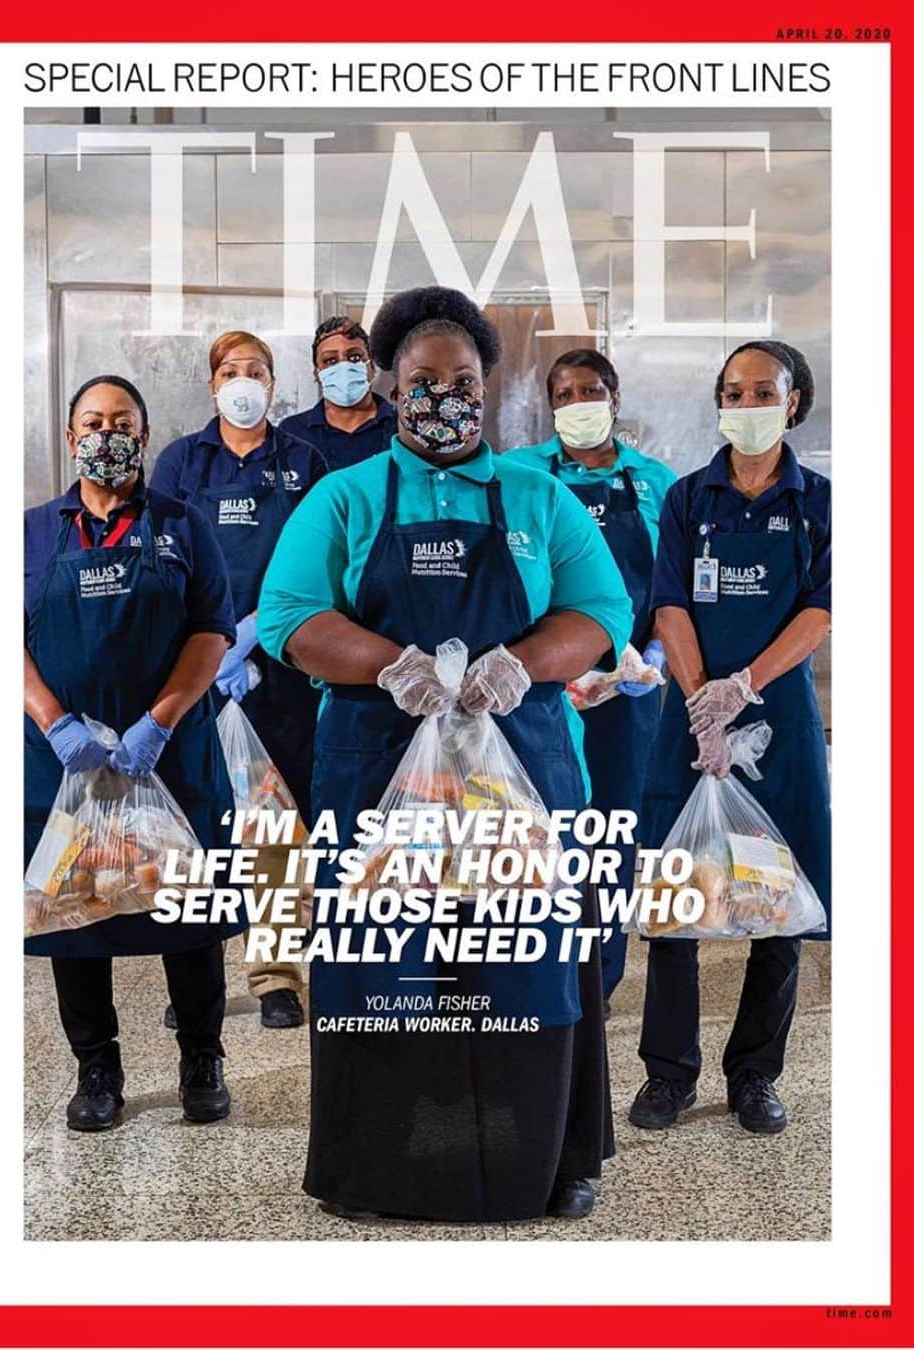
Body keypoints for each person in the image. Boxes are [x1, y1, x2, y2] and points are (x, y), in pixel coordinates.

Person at [257, 286, 634, 1223]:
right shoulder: (344, 497)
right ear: (389, 386)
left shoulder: (538, 496)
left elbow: (603, 614)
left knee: (524, 962)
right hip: (380, 773)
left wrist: (519, 664)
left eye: (461, 381)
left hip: (522, 776)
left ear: (488, 385)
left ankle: (546, 1162)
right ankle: (377, 1170)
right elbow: (287, 617)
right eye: (422, 381)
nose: (442, 398)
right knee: (388, 966)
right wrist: (396, 668)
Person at [24, 376, 247, 1131]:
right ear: (70, 437)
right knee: (75, 917)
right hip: (65, 765)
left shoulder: (184, 526)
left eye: (122, 422)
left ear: (144, 437)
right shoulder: (28, 533)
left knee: (187, 907)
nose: (107, 434)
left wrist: (160, 721)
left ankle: (202, 1056)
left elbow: (210, 632)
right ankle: (97, 1068)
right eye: (92, 421)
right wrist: (54, 723)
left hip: (171, 757)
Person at [629, 341, 831, 1136]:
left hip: (778, 728)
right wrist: (701, 703)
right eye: (732, 392)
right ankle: (667, 1075)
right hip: (690, 723)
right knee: (679, 894)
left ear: (793, 402)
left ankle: (754, 1075)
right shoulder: (688, 500)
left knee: (777, 904)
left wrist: (744, 687)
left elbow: (822, 610)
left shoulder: (818, 503)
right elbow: (669, 604)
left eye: (762, 393)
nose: (745, 406)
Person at [151, 331, 329, 1030]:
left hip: (284, 673)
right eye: (231, 371)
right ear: (211, 383)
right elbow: (158, 558)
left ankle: (276, 975)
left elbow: (320, 559)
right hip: (202, 672)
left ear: (275, 383)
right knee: (199, 826)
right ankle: (196, 968)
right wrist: (215, 640)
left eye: (256, 370)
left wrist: (257, 629)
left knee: (278, 825)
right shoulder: (180, 462)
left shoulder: (302, 461)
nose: (244, 381)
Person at [509, 351, 676, 1013]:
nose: (580, 401)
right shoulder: (523, 475)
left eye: (592, 389)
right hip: (548, 685)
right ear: (551, 406)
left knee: (614, 831)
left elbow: (674, 586)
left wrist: (655, 657)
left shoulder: (656, 482)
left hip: (630, 691)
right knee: (541, 825)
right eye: (566, 392)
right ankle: (543, 966)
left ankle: (600, 975)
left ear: (615, 395)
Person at [279, 316, 397, 470]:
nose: (344, 367)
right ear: (316, 373)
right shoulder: (293, 432)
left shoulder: (402, 426)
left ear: (372, 366)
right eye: (330, 360)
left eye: (354, 357)